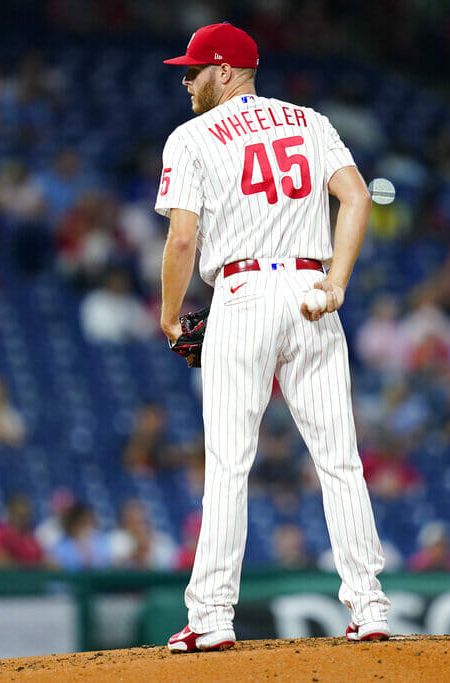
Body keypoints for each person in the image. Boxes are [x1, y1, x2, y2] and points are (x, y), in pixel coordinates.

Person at [156, 23, 391, 652]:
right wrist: (336, 282)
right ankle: (369, 607)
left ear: (226, 71)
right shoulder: (309, 121)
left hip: (244, 294)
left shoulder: (193, 137)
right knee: (339, 459)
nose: (186, 80)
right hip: (313, 292)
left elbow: (182, 239)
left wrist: (170, 315)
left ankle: (210, 618)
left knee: (230, 464)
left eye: (194, 69)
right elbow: (358, 197)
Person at [0, 493, 45, 569]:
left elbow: (42, 560)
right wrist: (30, 566)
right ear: (10, 512)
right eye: (19, 515)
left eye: (26, 515)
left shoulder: (30, 536)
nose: (24, 519)